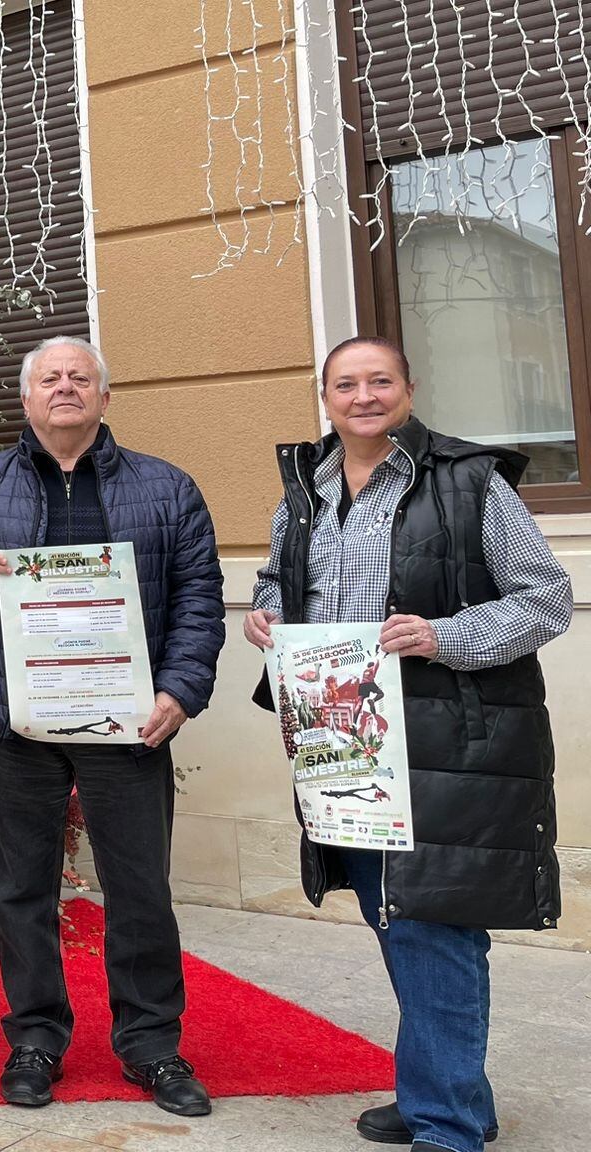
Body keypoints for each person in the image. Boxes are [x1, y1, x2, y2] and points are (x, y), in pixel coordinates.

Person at [244, 336, 570, 1152]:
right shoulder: (307, 489)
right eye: (346, 384)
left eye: (380, 380)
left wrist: (443, 635)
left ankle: (447, 1126)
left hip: (444, 740)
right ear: (325, 398)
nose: (364, 396)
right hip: (343, 738)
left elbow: (546, 598)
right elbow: (278, 580)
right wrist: (266, 616)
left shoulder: (469, 482)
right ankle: (449, 1093)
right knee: (396, 915)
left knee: (434, 922)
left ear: (409, 390)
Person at [0, 336, 223, 1116]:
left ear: (104, 397)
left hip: (129, 721)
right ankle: (35, 1039)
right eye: (49, 379)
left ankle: (152, 1046)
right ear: (26, 399)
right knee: (21, 889)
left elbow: (198, 597)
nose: (64, 388)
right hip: (17, 723)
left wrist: (181, 691)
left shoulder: (167, 488)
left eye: (79, 378)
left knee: (139, 888)